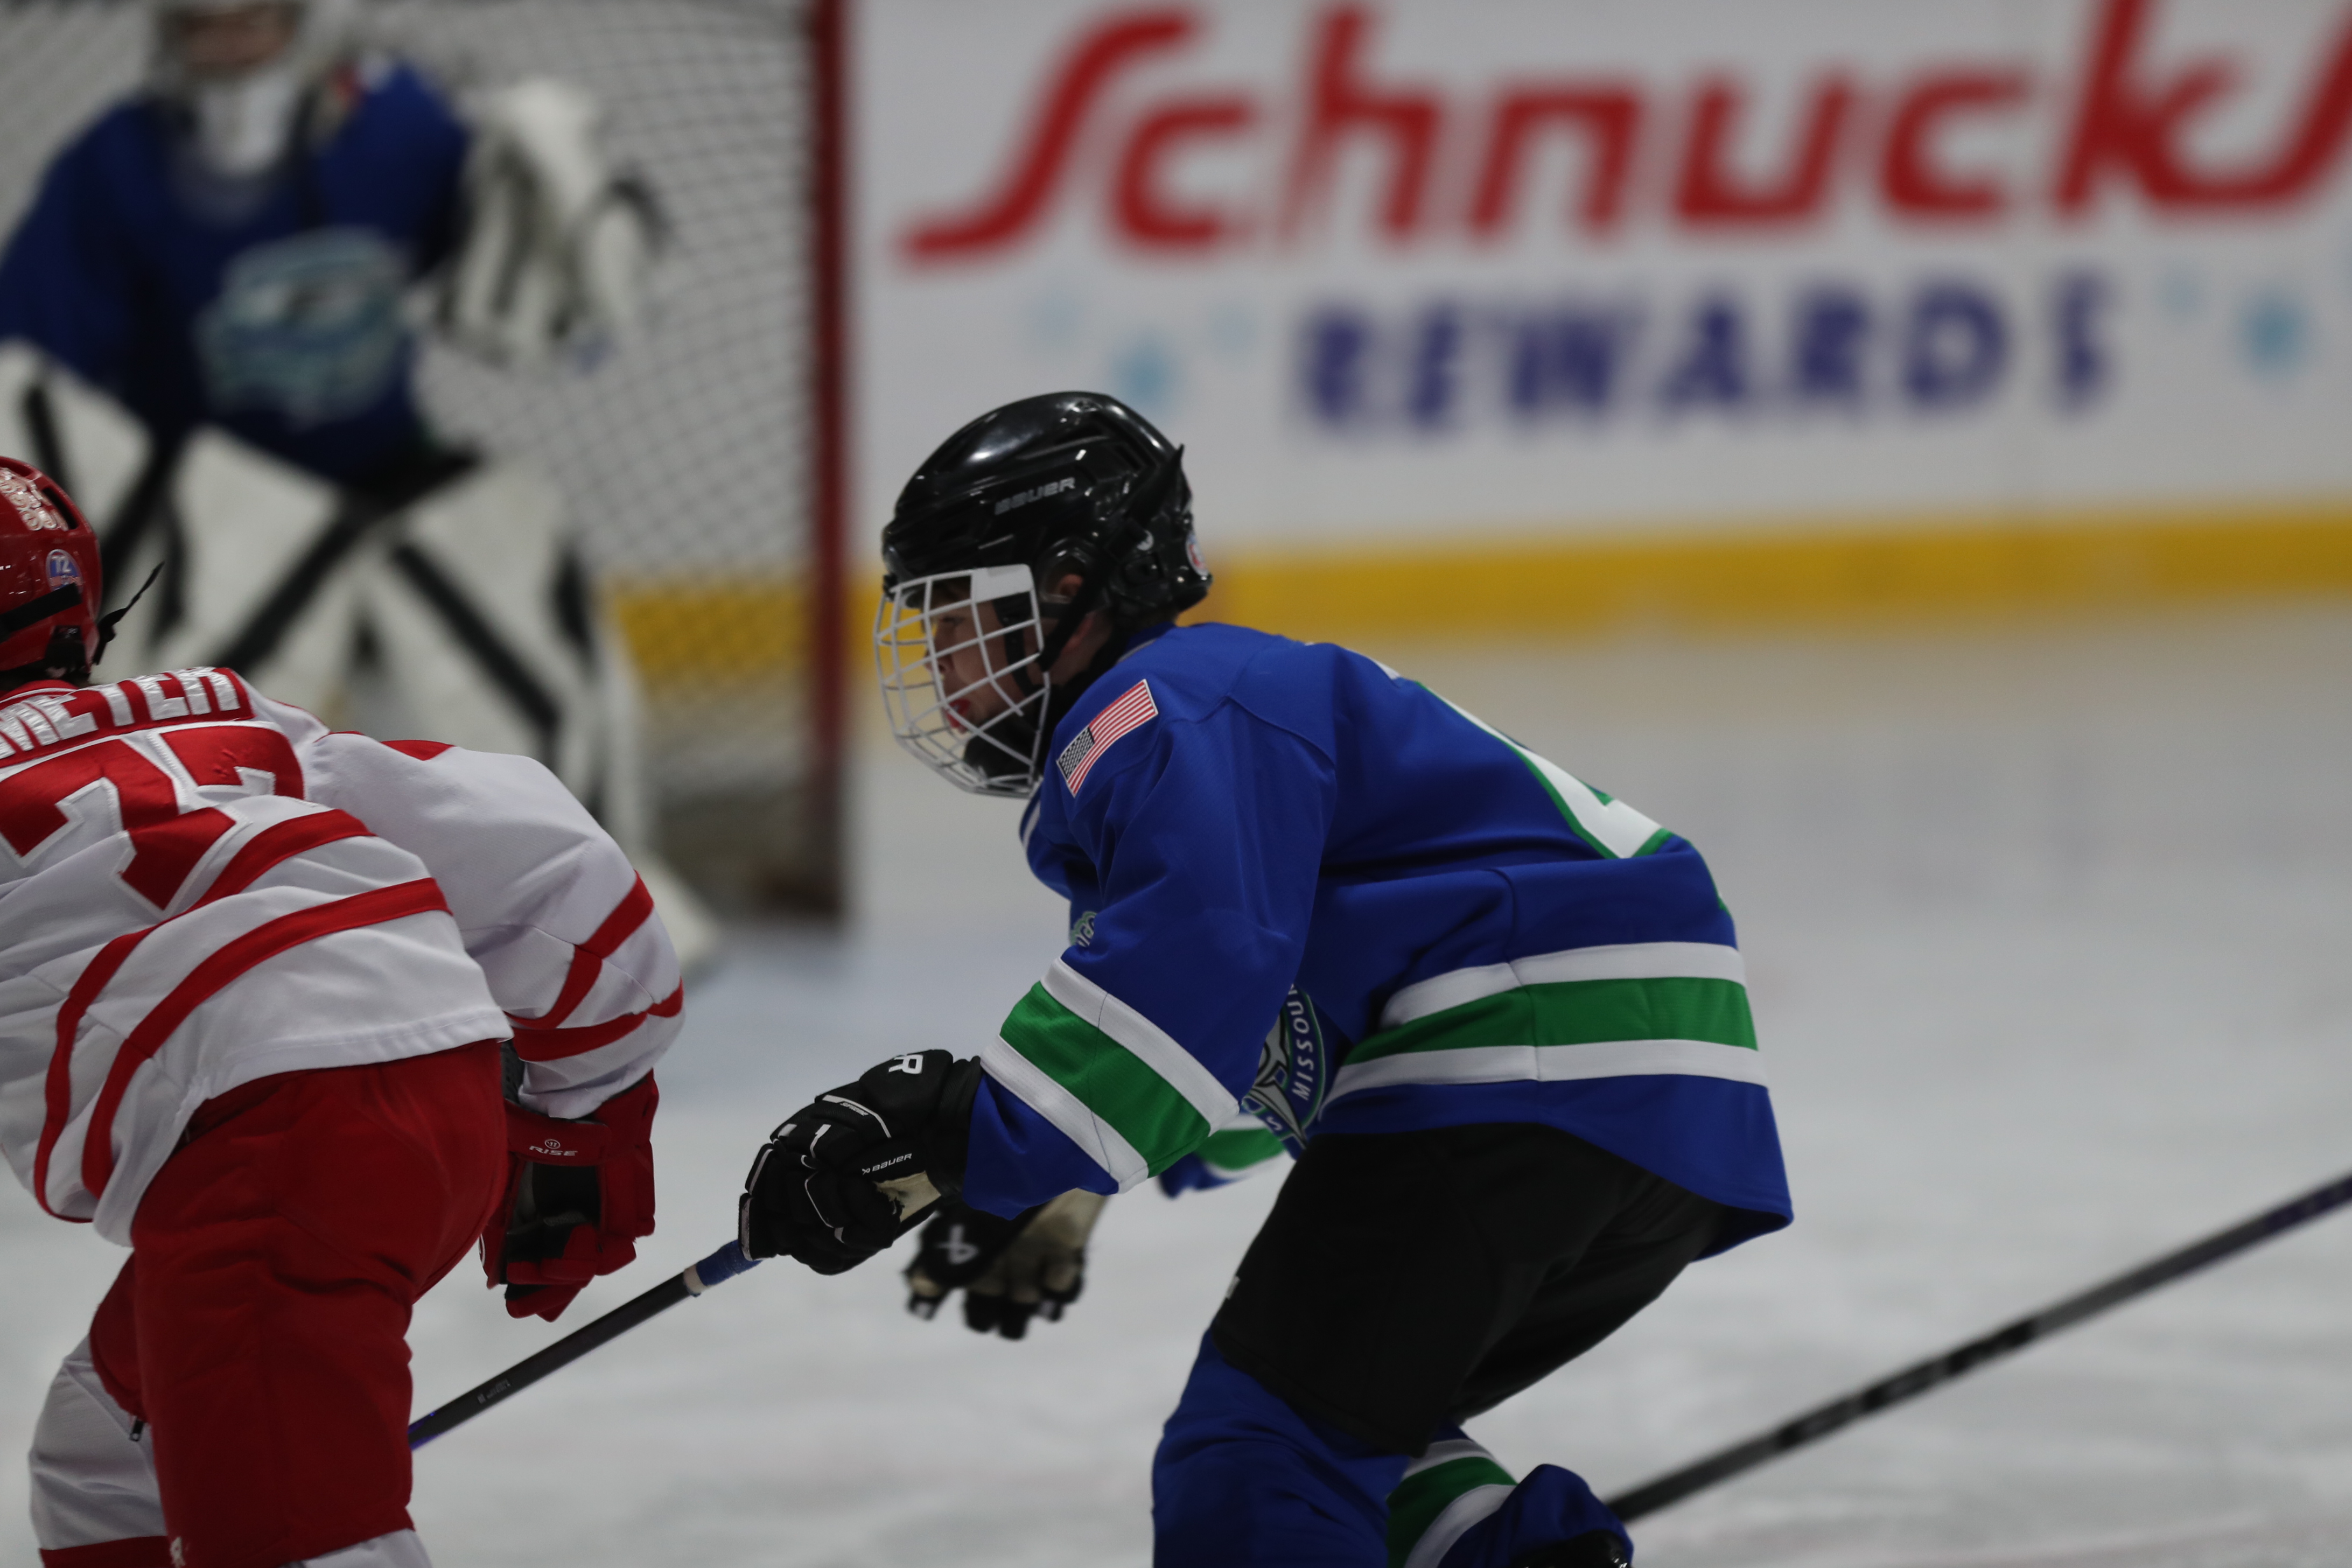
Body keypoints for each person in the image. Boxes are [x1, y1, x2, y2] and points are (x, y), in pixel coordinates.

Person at [735, 391, 1793, 1568]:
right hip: (1651, 1098)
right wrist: (1056, 1190)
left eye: (960, 621)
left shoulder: (1162, 706)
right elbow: (1255, 1042)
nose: (940, 670)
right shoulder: (1198, 714)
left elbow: (1193, 973)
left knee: (1255, 1465)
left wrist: (962, 1130)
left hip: (1523, 1049)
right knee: (1352, 1438)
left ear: (1073, 593)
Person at [0, 453, 682, 1568]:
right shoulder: (223, 718)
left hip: (265, 1151)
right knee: (105, 1451)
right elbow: (557, 866)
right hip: (442, 1094)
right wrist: (583, 1121)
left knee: (298, 1541)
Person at [0, 0, 648, 496]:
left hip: (382, 478)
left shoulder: (401, 124)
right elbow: (30, 359)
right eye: (201, 28)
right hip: (194, 502)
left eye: (256, 22)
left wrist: (544, 210)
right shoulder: (114, 164)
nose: (231, 49)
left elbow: (499, 266)